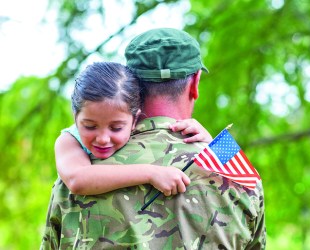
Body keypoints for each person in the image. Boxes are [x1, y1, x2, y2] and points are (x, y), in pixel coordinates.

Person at [41, 28, 266, 249]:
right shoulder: (239, 178)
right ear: (195, 84)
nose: (102, 138)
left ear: (132, 87)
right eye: (91, 126)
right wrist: (208, 147)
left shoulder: (82, 172)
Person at [54, 62, 212, 196]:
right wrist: (151, 173)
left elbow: (234, 178)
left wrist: (209, 142)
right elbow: (77, 180)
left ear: (135, 119)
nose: (103, 139)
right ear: (75, 117)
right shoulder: (69, 140)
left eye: (116, 128)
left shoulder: (147, 131)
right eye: (90, 126)